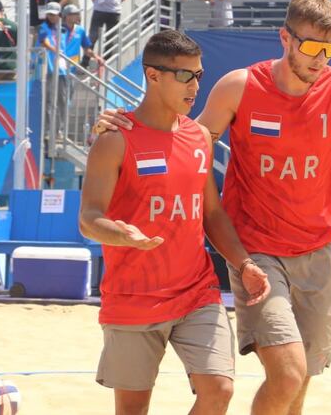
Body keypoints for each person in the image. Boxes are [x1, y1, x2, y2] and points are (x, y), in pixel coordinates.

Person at [95, 0, 331, 415]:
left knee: (297, 387)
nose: (321, 58)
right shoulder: (239, 87)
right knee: (287, 373)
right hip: (258, 252)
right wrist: (123, 125)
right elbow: (182, 138)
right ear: (285, 38)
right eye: (313, 47)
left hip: (319, 252)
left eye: (330, 48)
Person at [79, 29, 270, 415]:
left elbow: (211, 213)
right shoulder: (115, 138)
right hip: (133, 297)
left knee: (219, 389)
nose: (195, 85)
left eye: (199, 75)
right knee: (133, 409)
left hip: (195, 292)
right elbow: (89, 219)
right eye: (185, 75)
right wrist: (121, 233)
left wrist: (244, 263)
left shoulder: (200, 136)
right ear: (153, 76)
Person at [36, 2, 68, 139]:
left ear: (59, 15)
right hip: (48, 69)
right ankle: (47, 130)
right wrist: (55, 50)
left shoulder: (63, 29)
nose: (51, 17)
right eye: (49, 14)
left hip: (61, 69)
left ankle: (59, 130)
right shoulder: (43, 27)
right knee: (49, 101)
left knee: (62, 100)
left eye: (53, 15)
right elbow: (44, 41)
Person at [61, 4, 103, 72]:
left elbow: (87, 50)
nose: (78, 16)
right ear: (67, 16)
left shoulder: (80, 30)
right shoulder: (58, 30)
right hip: (59, 66)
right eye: (75, 14)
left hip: (72, 67)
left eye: (78, 13)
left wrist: (96, 57)